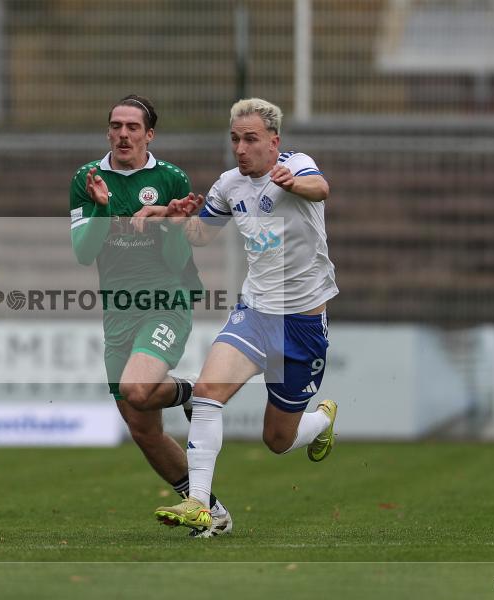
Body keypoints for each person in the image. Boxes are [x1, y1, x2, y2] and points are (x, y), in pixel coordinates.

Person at [138, 98, 338, 532]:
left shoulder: (297, 165)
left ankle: (322, 419)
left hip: (301, 325)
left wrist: (293, 184)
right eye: (235, 139)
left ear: (273, 141)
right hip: (254, 313)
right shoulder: (229, 185)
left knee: (277, 440)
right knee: (208, 393)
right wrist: (169, 216)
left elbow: (321, 188)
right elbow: (201, 235)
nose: (241, 148)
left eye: (250, 139)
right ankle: (199, 503)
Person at [70, 94, 232, 537]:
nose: (123, 134)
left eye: (132, 127)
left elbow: (178, 257)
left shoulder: (169, 178)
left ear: (149, 135)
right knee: (142, 430)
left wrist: (175, 224)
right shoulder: (87, 178)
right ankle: (212, 510)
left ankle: (194, 393)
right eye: (116, 126)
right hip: (117, 314)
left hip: (167, 302)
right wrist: (102, 208)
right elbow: (84, 254)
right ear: (108, 131)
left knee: (137, 388)